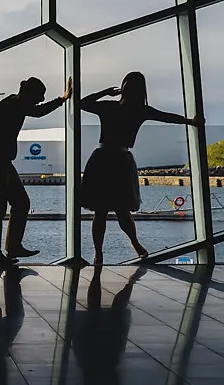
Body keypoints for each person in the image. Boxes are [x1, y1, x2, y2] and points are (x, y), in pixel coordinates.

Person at [80, 71, 203, 265]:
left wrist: (104, 92)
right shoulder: (139, 110)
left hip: (104, 159)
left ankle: (104, 252)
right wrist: (191, 122)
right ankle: (124, 246)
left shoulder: (113, 107)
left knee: (104, 211)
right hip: (119, 160)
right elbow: (167, 117)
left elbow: (83, 103)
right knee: (115, 210)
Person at [0, 77, 72, 266]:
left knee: (15, 205)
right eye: (38, 97)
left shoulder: (13, 105)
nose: (40, 101)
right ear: (28, 95)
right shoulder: (11, 107)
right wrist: (63, 98)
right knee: (0, 209)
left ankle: (8, 248)